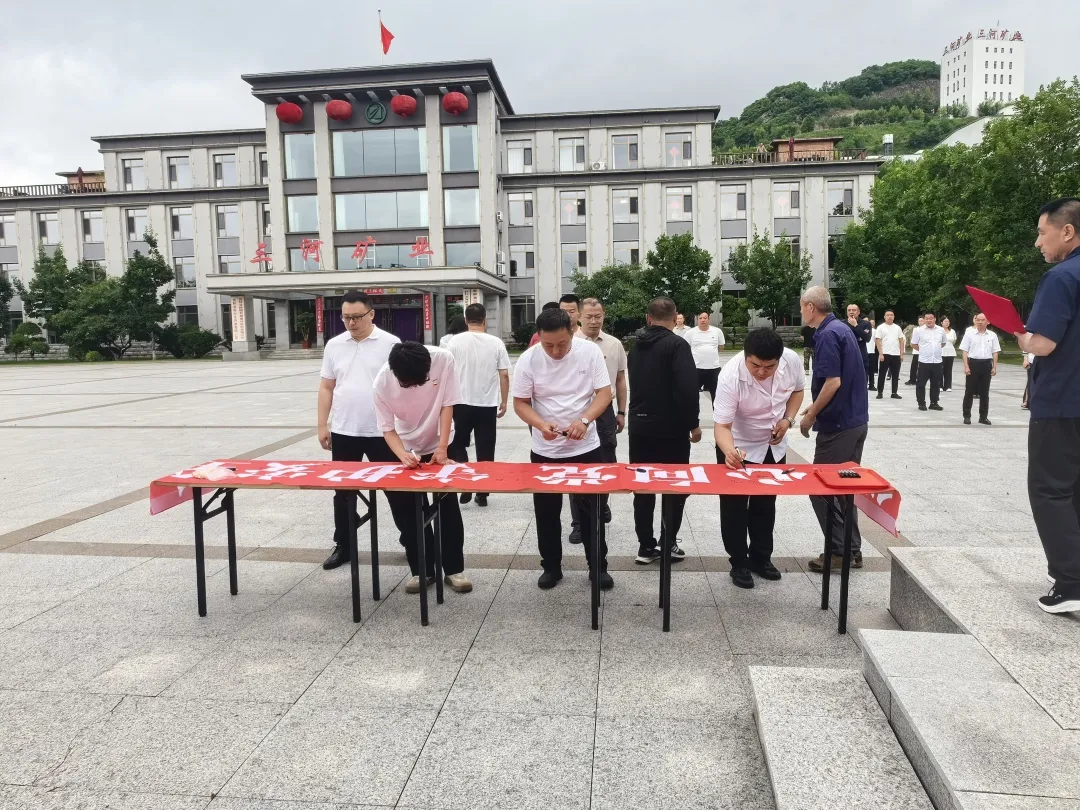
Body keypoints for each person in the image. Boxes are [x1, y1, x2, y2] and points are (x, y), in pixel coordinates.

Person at [512, 307, 614, 590]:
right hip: (546, 450)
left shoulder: (589, 352)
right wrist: (540, 424)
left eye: (562, 344)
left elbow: (604, 393)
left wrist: (585, 420)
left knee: (591, 511)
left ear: (572, 332)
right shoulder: (529, 359)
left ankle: (598, 567)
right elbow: (520, 402)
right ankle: (551, 567)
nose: (555, 351)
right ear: (539, 337)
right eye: (548, 345)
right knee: (546, 512)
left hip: (586, 447)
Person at [1016, 197, 1080, 612]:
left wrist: (1020, 335)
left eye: (1042, 233)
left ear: (1067, 231)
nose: (1038, 242)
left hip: (1062, 400)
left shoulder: (1061, 277)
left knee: (1051, 490)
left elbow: (1043, 343)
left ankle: (1071, 584)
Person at [318, 290, 409, 571]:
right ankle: (344, 545)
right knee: (343, 492)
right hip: (345, 430)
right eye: (346, 317)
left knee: (398, 490)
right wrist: (322, 424)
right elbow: (327, 386)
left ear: (371, 314)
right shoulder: (334, 345)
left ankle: (410, 539)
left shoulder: (390, 344)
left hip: (383, 431)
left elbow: (402, 387)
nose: (351, 323)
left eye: (357, 317)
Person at [373, 342, 472, 594]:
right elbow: (387, 428)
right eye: (409, 383)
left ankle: (454, 570)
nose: (416, 387)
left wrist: (442, 448)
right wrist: (402, 455)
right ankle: (422, 570)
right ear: (396, 374)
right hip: (404, 443)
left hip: (441, 440)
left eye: (422, 380)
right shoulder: (381, 384)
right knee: (408, 511)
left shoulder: (443, 359)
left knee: (447, 506)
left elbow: (447, 404)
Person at [714, 329, 805, 588]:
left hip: (773, 446)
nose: (762, 372)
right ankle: (738, 562)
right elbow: (722, 426)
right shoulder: (730, 376)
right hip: (737, 445)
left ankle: (761, 558)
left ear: (779, 359)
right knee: (734, 507)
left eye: (769, 366)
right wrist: (730, 451)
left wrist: (788, 420)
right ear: (746, 356)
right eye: (755, 365)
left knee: (766, 503)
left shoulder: (791, 360)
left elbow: (798, 391)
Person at [797, 286, 870, 573]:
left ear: (811, 307)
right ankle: (852, 549)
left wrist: (812, 415)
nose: (801, 311)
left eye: (802, 306)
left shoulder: (827, 334)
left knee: (822, 488)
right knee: (843, 489)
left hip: (839, 426)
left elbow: (833, 382)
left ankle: (840, 551)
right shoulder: (841, 328)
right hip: (854, 421)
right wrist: (815, 405)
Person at [627, 297, 701, 565]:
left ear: (648, 318)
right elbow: (687, 388)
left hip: (640, 427)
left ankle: (645, 546)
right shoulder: (677, 345)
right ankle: (668, 543)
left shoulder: (635, 346)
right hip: (671, 429)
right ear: (674, 317)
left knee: (643, 489)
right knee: (675, 487)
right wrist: (693, 424)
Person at [568, 298, 627, 540]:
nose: (594, 321)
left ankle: (602, 504)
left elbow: (620, 380)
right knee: (577, 464)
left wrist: (621, 411)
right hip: (577, 410)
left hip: (605, 411)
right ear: (579, 317)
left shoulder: (614, 344)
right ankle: (578, 523)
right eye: (589, 316)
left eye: (598, 316)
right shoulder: (569, 342)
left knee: (606, 459)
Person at [446, 303, 511, 508]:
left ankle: (465, 481)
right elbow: (504, 374)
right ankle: (483, 492)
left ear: (466, 320)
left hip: (460, 402)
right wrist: (504, 401)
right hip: (487, 404)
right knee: (485, 448)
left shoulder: (454, 342)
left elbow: (446, 371)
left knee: (457, 444)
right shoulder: (496, 343)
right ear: (485, 320)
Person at [960, 313, 1001, 425]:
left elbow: (995, 351)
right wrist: (966, 366)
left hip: (986, 364)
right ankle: (967, 416)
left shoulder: (992, 335)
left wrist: (994, 366)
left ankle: (983, 417)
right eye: (978, 320)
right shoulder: (969, 334)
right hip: (973, 363)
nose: (980, 322)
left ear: (988, 321)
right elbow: (964, 351)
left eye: (983, 320)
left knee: (984, 392)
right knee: (969, 391)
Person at [685, 311, 726, 403]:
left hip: (714, 368)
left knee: (717, 395)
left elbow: (720, 347)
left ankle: (717, 412)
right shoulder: (690, 333)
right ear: (697, 319)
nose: (702, 320)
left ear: (709, 319)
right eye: (700, 318)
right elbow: (686, 348)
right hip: (696, 368)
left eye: (705, 318)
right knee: (692, 395)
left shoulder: (717, 331)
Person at [911, 312, 947, 412]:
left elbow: (943, 343)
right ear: (924, 319)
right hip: (924, 361)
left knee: (936, 383)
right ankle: (921, 403)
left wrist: (935, 350)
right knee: (921, 384)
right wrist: (924, 350)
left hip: (937, 361)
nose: (928, 320)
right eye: (926, 318)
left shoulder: (940, 330)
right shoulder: (918, 330)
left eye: (931, 318)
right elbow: (913, 344)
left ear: (935, 319)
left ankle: (934, 403)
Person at [874, 310, 906, 400]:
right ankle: (880, 392)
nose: (890, 316)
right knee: (882, 374)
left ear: (894, 316)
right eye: (888, 315)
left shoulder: (897, 328)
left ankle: (894, 392)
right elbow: (877, 341)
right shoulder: (881, 327)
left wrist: (901, 353)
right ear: (884, 317)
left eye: (891, 315)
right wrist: (880, 353)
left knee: (895, 374)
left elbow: (901, 340)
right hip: (885, 354)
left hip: (896, 354)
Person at [845, 304, 873, 388]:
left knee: (862, 384)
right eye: (849, 310)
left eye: (854, 310)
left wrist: (856, 326)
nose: (851, 312)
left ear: (858, 312)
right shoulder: (842, 323)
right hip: (846, 357)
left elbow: (867, 338)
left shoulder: (866, 324)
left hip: (861, 356)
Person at [904, 316, 924, 385]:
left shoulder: (927, 330)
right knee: (914, 366)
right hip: (916, 350)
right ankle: (912, 379)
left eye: (922, 321)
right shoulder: (916, 329)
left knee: (922, 367)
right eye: (919, 321)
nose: (920, 322)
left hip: (924, 351)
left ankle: (920, 379)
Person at [941, 317, 958, 392]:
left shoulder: (952, 331)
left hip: (950, 352)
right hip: (941, 352)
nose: (947, 323)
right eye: (945, 321)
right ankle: (940, 386)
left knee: (948, 370)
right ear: (941, 323)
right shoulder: (939, 331)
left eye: (948, 321)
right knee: (940, 369)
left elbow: (954, 341)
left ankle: (948, 386)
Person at [866, 318, 879, 391]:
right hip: (862, 352)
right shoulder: (859, 329)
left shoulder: (874, 331)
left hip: (871, 352)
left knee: (871, 370)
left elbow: (877, 341)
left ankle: (871, 385)